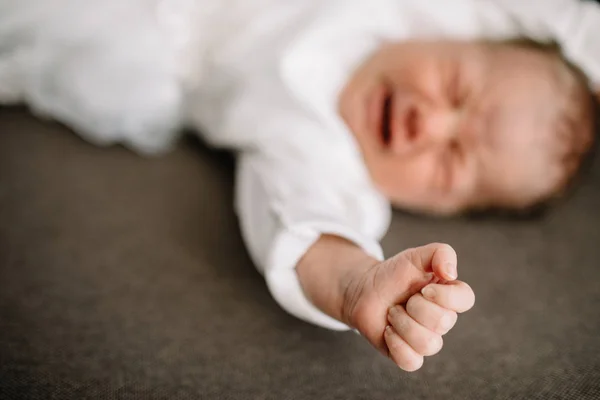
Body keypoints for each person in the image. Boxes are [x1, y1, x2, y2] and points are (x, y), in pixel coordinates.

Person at [1, 0, 599, 372]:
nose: (430, 122)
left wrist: (358, 283)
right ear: (458, 35)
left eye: (449, 162)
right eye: (454, 85)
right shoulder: (437, 10)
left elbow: (310, 230)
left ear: (439, 208)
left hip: (136, 41)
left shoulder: (325, 154)